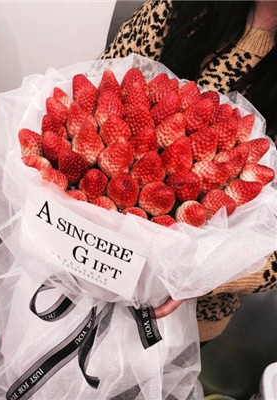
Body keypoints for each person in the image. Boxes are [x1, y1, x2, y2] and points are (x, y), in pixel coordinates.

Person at [102, 0, 277, 342]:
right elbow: (102, 92)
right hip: (91, 255)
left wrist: (202, 273)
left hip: (186, 314)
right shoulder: (176, 8)